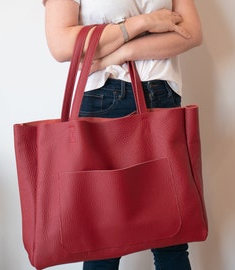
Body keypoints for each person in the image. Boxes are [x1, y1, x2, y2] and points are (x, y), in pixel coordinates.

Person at [43, 0, 202, 269]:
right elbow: (61, 45)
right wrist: (143, 23)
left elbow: (191, 33)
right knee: (102, 242)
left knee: (172, 236)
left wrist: (118, 54)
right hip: (103, 100)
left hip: (162, 97)